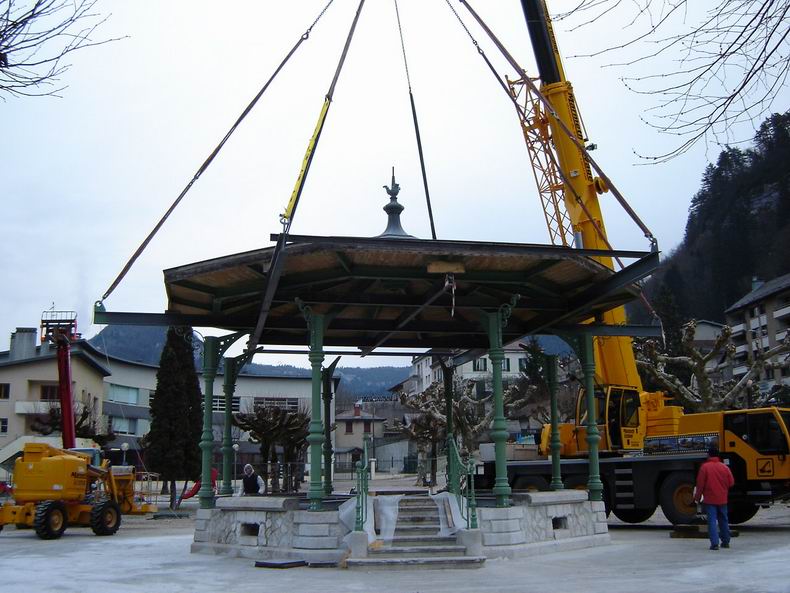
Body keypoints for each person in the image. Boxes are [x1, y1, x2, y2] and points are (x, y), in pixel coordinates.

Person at [694, 446, 735, 550]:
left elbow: (700, 485)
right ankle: (726, 541)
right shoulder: (724, 467)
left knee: (712, 521)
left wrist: (697, 498)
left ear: (709, 454)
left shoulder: (705, 467)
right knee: (724, 520)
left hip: (710, 499)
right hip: (722, 499)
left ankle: (715, 544)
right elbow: (731, 483)